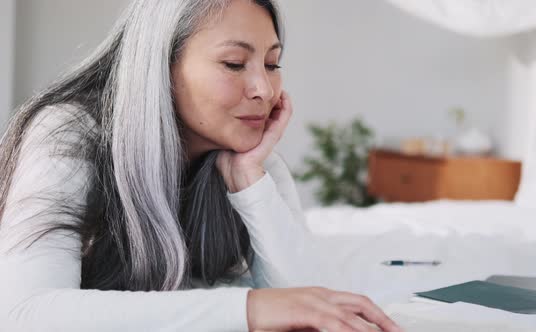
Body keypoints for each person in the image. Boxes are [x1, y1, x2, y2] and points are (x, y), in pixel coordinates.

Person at [0, 0, 402, 331]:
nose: (263, 89)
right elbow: (24, 314)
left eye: (272, 64)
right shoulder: (68, 133)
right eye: (233, 63)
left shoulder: (246, 159)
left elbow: (314, 305)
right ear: (161, 66)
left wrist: (250, 181)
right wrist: (251, 309)